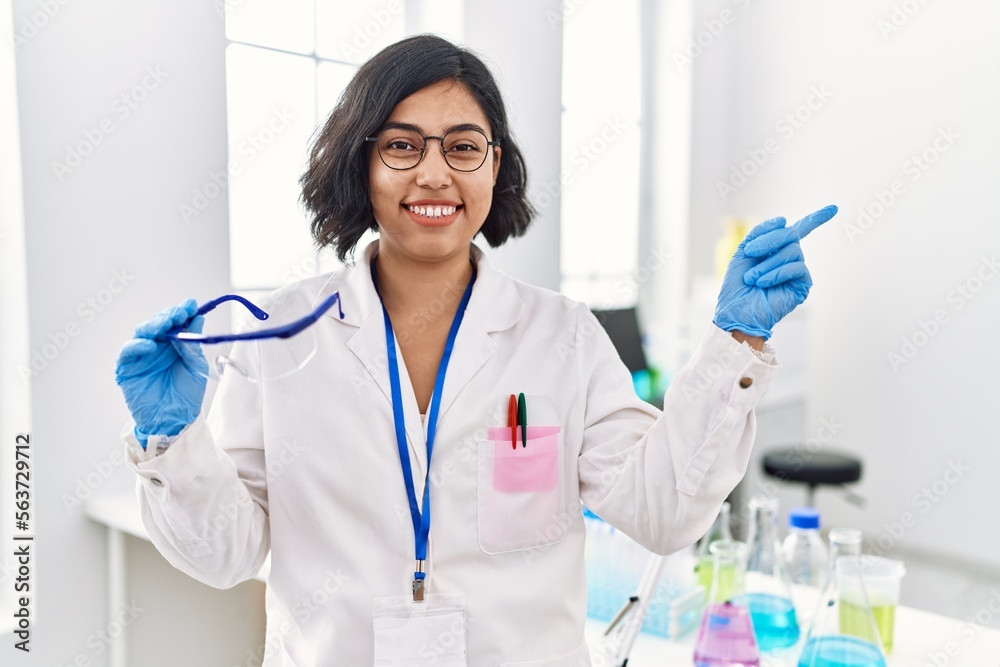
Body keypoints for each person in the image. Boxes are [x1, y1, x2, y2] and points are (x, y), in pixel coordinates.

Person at [115, 34, 836, 666]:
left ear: (496, 167)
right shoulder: (281, 334)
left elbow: (664, 510)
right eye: (402, 145)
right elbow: (226, 553)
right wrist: (172, 439)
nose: (434, 174)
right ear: (359, 163)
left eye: (462, 147)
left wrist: (738, 340)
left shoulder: (563, 338)